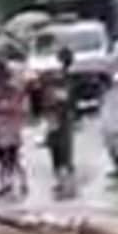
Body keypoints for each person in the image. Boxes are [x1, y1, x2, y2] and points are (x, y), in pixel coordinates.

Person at [44, 56, 79, 199]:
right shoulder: (49, 91)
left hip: (62, 125)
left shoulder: (66, 88)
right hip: (55, 125)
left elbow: (68, 105)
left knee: (63, 156)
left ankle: (68, 186)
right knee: (57, 156)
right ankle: (62, 183)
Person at [0, 81, 28, 199]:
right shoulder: (4, 109)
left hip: (9, 139)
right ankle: (9, 183)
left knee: (12, 162)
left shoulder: (10, 108)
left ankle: (15, 183)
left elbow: (18, 116)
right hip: (3, 140)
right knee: (5, 163)